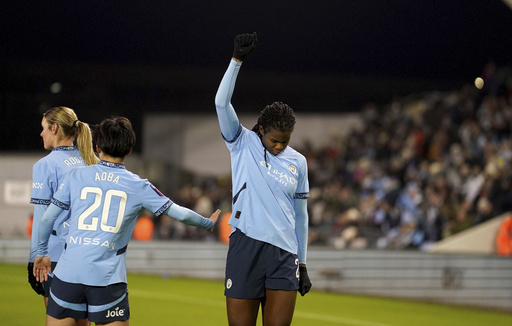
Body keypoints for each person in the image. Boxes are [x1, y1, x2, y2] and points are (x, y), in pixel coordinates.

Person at [33, 115, 220, 325]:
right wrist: (207, 223)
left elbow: (47, 217)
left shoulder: (76, 176)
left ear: (97, 147)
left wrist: (41, 253)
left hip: (68, 276)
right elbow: (180, 213)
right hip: (107, 280)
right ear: (129, 150)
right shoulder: (138, 185)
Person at [215, 32, 312, 326]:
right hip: (246, 246)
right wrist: (236, 61)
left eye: (285, 141)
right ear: (261, 130)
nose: (280, 146)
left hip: (284, 255)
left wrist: (303, 262)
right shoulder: (241, 141)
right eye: (274, 140)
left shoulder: (299, 162)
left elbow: (301, 215)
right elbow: (221, 103)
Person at [28, 106, 99, 320]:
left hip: (54, 256)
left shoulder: (46, 165)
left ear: (55, 128)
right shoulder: (90, 161)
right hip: (86, 256)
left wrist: (35, 257)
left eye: (44, 128)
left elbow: (43, 216)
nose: (41, 134)